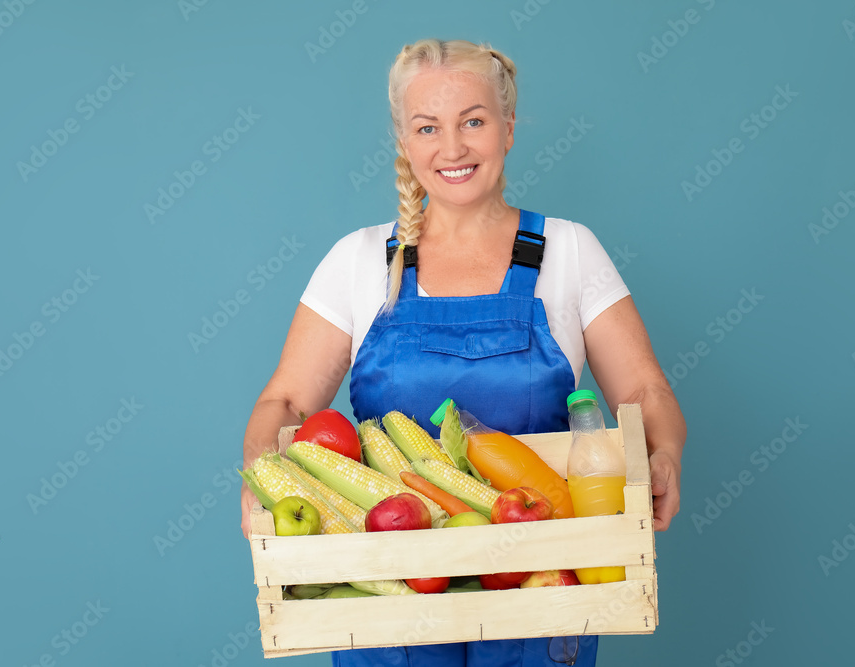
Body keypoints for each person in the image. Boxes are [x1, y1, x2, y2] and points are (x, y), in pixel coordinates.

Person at [240, 38, 686, 667]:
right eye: (428, 127)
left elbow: (644, 391)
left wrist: (662, 456)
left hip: (541, 589)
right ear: (404, 139)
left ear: (507, 128)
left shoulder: (568, 251)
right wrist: (263, 471)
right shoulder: (360, 261)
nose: (451, 149)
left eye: (473, 121)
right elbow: (285, 400)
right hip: (391, 600)